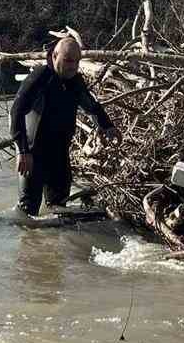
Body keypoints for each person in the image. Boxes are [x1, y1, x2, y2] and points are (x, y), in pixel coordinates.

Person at [10, 36, 118, 217]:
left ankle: (55, 245)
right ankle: (29, 245)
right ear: (54, 56)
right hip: (33, 155)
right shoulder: (39, 77)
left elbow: (91, 105)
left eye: (76, 61)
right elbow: (16, 112)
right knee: (27, 216)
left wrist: (108, 126)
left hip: (59, 155)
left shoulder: (75, 81)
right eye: (68, 60)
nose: (72, 66)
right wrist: (22, 151)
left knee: (60, 212)